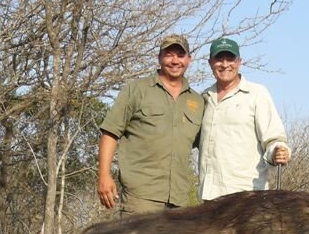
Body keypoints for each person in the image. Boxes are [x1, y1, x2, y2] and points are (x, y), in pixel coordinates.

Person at [97, 34, 204, 214]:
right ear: (159, 57)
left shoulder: (198, 101)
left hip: (180, 200)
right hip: (141, 197)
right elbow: (110, 133)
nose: (175, 60)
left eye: (180, 55)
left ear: (189, 60)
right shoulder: (137, 89)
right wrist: (104, 176)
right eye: (169, 54)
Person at [198, 37, 291, 201]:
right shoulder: (204, 98)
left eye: (230, 59)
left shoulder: (257, 94)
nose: (225, 64)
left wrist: (279, 151)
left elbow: (274, 139)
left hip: (247, 199)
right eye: (219, 59)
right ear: (210, 62)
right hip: (209, 198)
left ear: (239, 61)